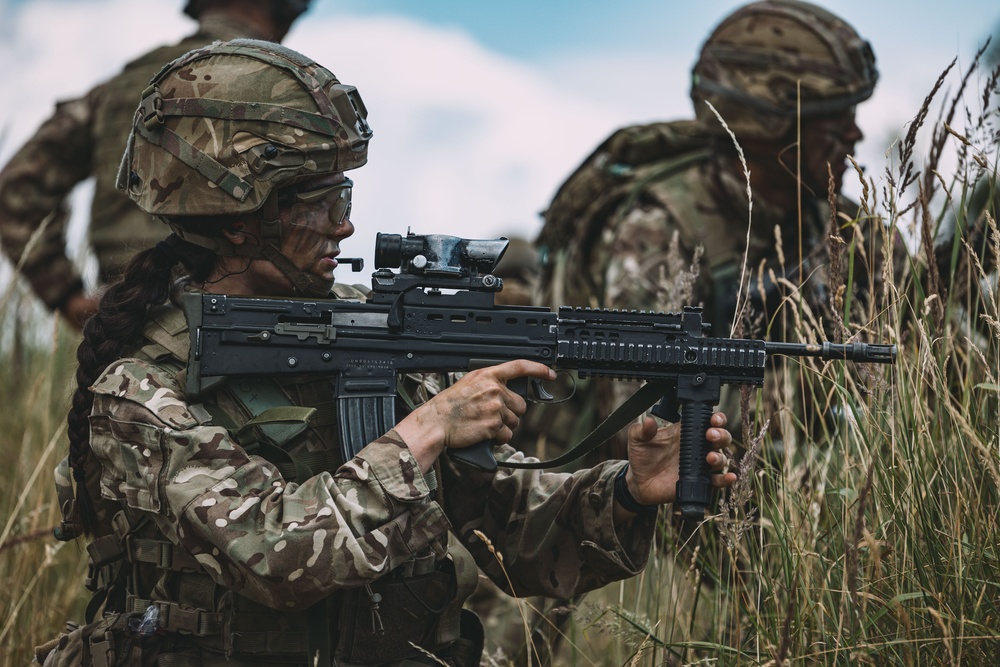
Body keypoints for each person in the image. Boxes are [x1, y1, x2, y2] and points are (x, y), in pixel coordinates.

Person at [35, 39, 736, 667]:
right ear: (241, 216)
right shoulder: (140, 388)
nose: (345, 221)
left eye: (344, 191)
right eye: (320, 198)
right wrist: (427, 428)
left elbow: (512, 531)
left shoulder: (365, 330)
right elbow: (274, 555)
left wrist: (627, 490)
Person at [524, 0, 882, 458]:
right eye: (832, 120)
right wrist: (815, 404)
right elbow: (642, 431)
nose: (855, 135)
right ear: (767, 123)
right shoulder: (660, 230)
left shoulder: (847, 227)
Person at [0, 0, 311, 329]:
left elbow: (17, 188)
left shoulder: (123, 88)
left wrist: (68, 297)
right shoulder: (290, 85)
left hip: (128, 319)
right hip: (251, 324)